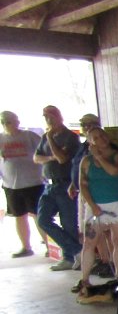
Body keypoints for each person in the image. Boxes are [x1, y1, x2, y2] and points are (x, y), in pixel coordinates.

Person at [75, 127, 118, 304]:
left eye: (102, 135)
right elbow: (83, 185)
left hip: (117, 203)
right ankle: (84, 280)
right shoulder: (86, 161)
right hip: (95, 205)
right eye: (96, 138)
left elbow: (114, 171)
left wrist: (99, 157)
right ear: (91, 142)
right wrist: (92, 205)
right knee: (89, 243)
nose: (101, 139)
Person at [34, 105, 81, 271]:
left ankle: (70, 258)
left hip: (65, 183)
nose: (48, 119)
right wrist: (50, 157)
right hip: (50, 184)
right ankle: (76, 251)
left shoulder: (70, 137)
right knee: (43, 220)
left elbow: (61, 158)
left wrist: (50, 138)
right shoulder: (44, 137)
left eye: (50, 116)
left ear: (58, 116)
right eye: (45, 116)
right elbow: (36, 158)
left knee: (68, 223)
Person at [0, 110, 46, 257]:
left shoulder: (29, 136)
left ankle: (49, 245)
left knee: (38, 215)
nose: (7, 124)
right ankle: (26, 247)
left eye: (10, 121)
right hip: (11, 184)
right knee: (19, 216)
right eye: (4, 122)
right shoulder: (1, 138)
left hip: (33, 182)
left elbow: (44, 152)